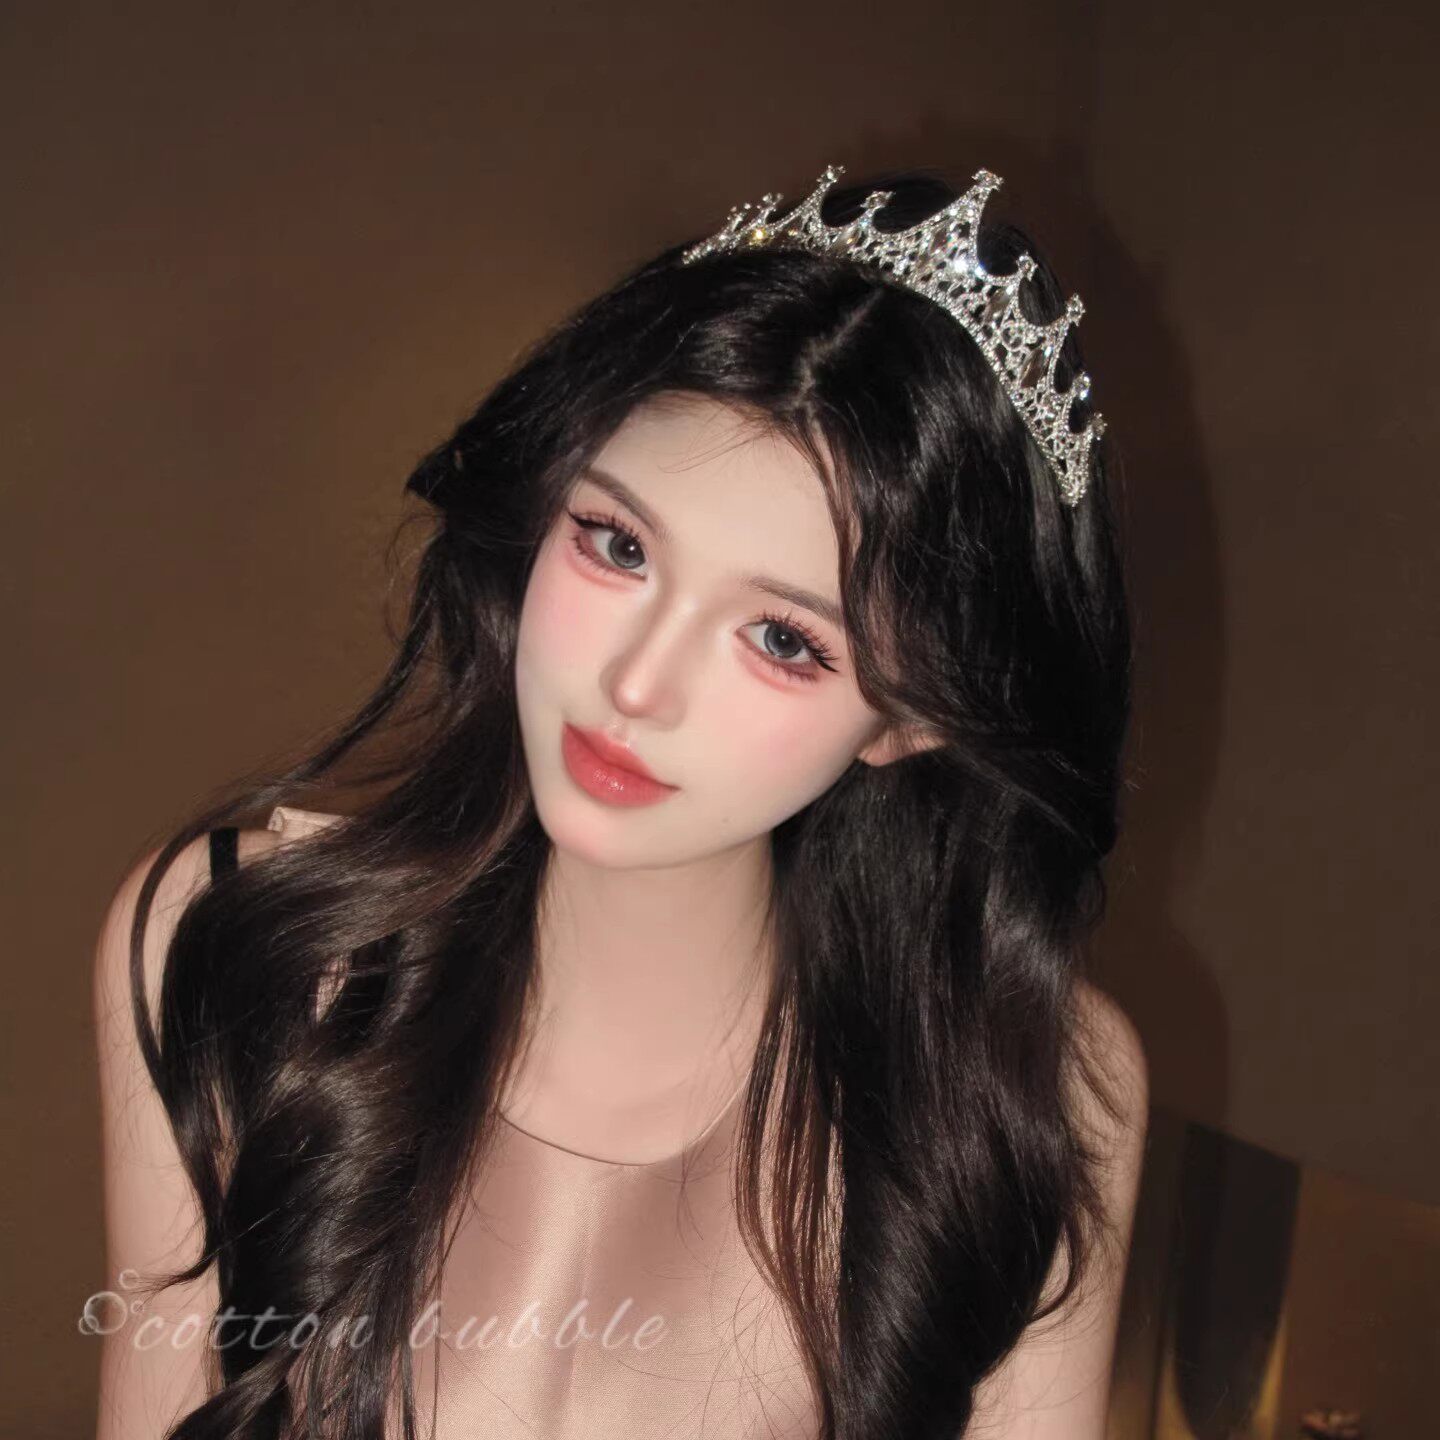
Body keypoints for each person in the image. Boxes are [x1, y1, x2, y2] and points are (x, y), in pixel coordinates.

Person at [92, 161, 1150, 1440]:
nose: (637, 685)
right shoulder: (230, 949)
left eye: (784, 640)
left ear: (913, 716)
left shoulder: (1020, 1085)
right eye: (619, 544)